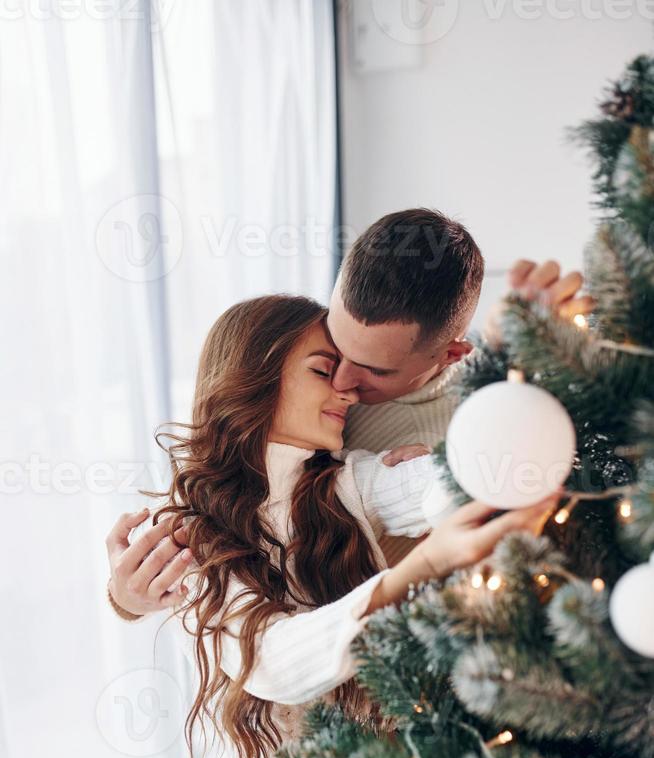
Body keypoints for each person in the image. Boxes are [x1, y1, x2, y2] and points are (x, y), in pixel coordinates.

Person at [106, 293, 558, 758]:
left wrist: (489, 425)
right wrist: (418, 569)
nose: (347, 387)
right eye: (325, 370)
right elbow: (271, 662)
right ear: (254, 381)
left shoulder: (349, 482)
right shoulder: (193, 529)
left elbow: (441, 489)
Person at [106, 207, 593, 613]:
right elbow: (207, 520)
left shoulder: (481, 411)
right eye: (333, 355)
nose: (342, 385)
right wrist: (128, 597)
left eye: (370, 371)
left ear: (450, 356)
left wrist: (537, 362)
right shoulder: (294, 381)